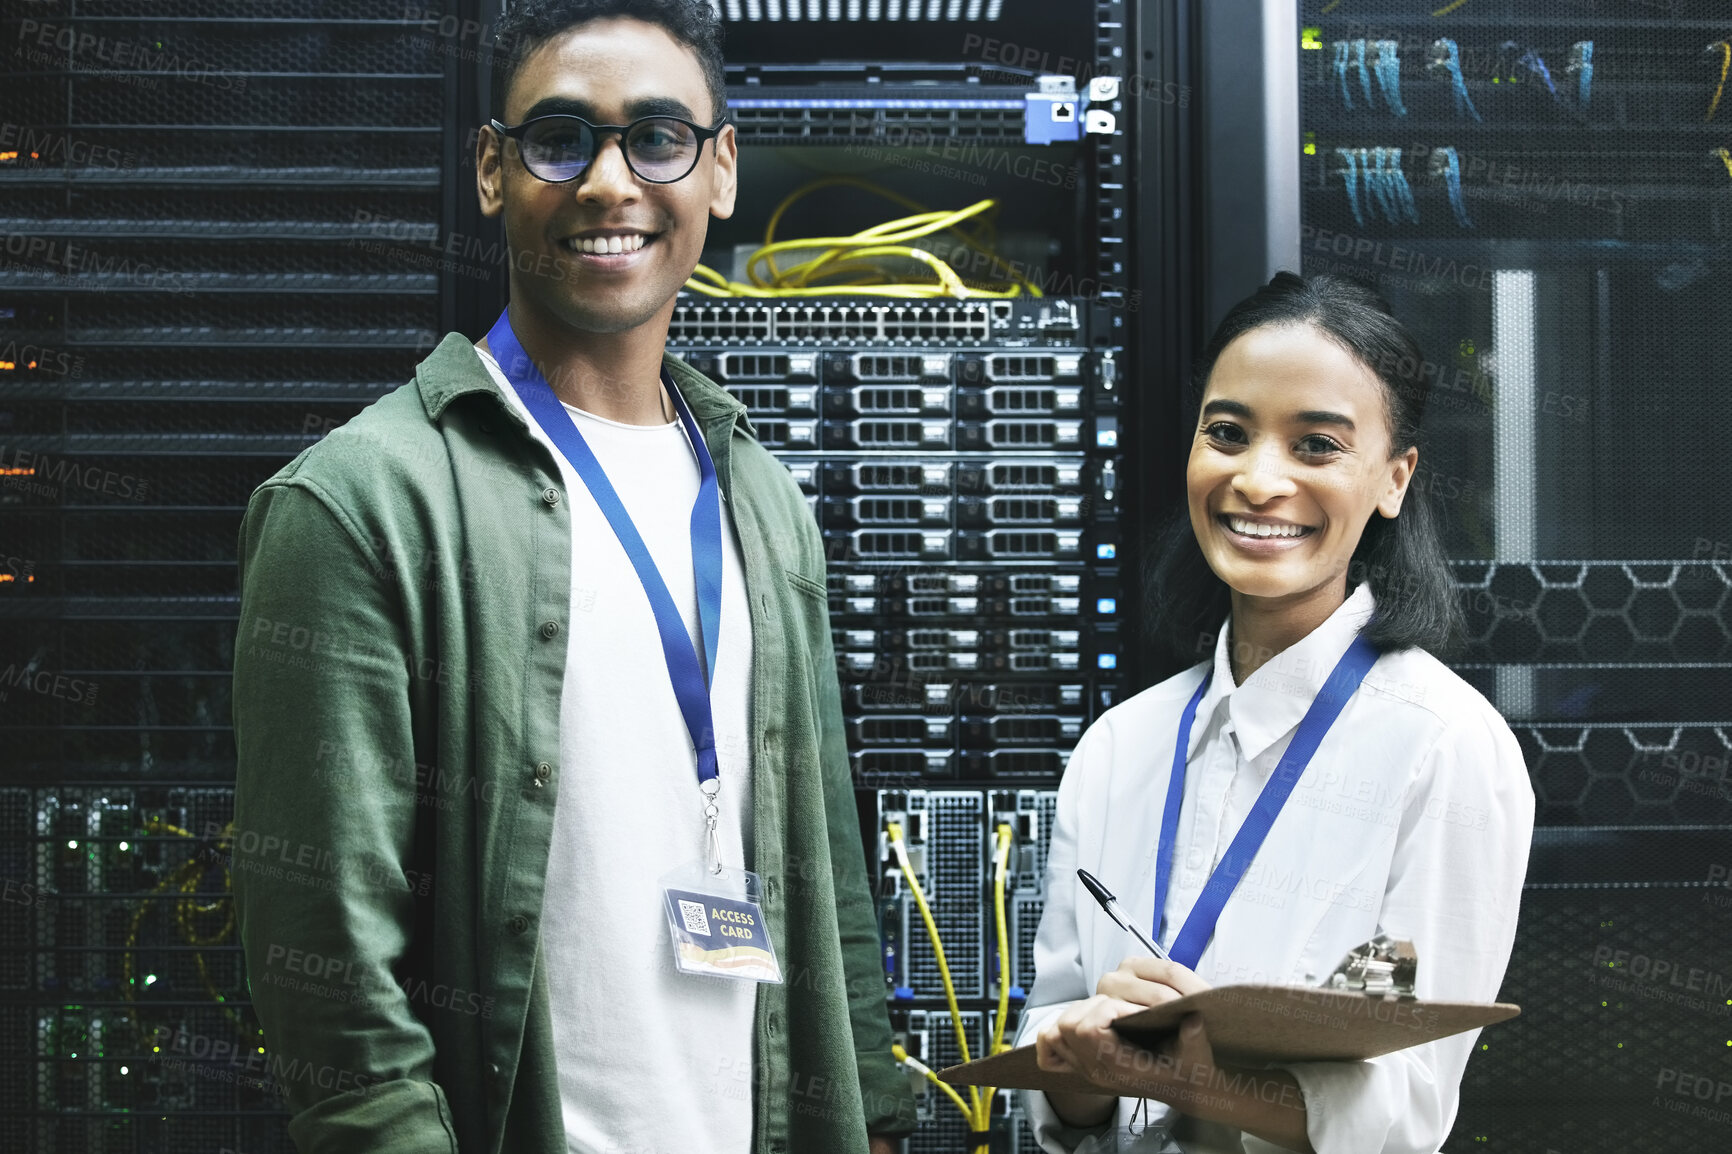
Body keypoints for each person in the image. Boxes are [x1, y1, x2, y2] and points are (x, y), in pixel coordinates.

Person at [229, 2, 916, 1152]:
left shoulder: (764, 503)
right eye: (560, 138)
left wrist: (876, 1119)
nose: (610, 182)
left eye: (657, 137)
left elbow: (822, 868)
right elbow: (330, 961)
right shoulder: (361, 503)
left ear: (722, 167)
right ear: (493, 171)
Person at [1017, 273, 1535, 1154]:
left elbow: (1401, 1111)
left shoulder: (1441, 750)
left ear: (1394, 480)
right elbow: (1056, 1064)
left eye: (1317, 446)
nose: (1258, 481)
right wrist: (1077, 1070)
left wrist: (1183, 1077)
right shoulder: (1120, 745)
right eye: (1227, 433)